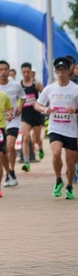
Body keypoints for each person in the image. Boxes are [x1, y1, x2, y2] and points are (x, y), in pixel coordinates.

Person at [34, 57, 78, 199]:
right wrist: (45, 109)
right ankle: (58, 180)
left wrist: (75, 111)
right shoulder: (49, 89)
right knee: (56, 154)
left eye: (63, 70)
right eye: (58, 70)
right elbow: (37, 105)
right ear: (55, 72)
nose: (61, 72)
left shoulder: (75, 89)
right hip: (55, 128)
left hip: (71, 130)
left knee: (70, 162)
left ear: (68, 71)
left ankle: (69, 186)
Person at [0, 60, 26, 187]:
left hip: (13, 120)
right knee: (3, 150)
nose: (3, 72)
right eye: (0, 70)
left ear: (9, 71)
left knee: (10, 145)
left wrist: (20, 107)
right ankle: (8, 173)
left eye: (5, 69)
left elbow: (23, 97)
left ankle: (12, 171)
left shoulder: (16, 85)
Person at [19, 62, 45, 171]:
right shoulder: (19, 85)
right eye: (24, 72)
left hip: (36, 115)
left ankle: (40, 147)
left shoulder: (36, 84)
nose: (26, 74)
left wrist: (39, 104)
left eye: (27, 72)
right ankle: (26, 162)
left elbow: (45, 96)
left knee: (37, 139)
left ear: (31, 72)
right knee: (25, 138)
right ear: (21, 72)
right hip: (25, 115)